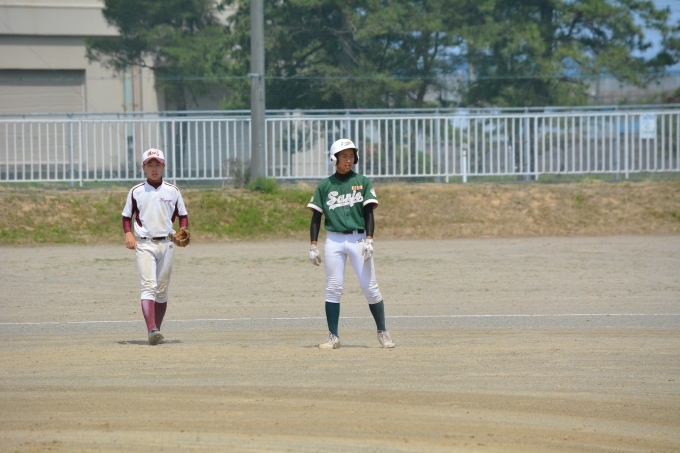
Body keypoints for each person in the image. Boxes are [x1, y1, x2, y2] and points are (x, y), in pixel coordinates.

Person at [307, 138, 396, 349]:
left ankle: (382, 332)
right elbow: (316, 217)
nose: (349, 160)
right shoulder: (325, 186)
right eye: (344, 156)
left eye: (351, 156)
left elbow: (369, 213)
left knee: (370, 287)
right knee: (333, 288)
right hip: (334, 240)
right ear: (334, 158)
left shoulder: (362, 182)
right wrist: (313, 245)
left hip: (358, 238)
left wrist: (370, 239)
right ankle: (333, 336)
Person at [122, 148, 189, 345]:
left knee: (161, 289)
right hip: (144, 244)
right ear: (143, 167)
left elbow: (183, 215)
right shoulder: (136, 191)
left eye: (157, 165)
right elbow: (126, 216)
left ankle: (156, 331)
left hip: (168, 243)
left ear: (164, 166)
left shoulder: (172, 191)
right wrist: (128, 234)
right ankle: (151, 329)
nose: (154, 169)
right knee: (149, 286)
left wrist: (183, 229)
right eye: (150, 165)